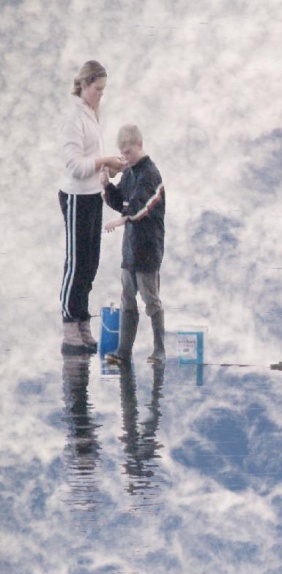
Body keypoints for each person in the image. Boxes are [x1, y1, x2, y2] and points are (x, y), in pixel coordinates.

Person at [58, 60, 126, 354]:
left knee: (90, 261)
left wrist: (109, 171)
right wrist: (104, 161)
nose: (101, 95)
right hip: (75, 196)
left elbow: (93, 159)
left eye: (104, 90)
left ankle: (83, 319)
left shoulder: (93, 114)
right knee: (75, 261)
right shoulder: (73, 117)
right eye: (98, 89)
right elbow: (74, 166)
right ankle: (69, 322)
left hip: (92, 195)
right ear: (85, 85)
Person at [101, 124, 167, 366]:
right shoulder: (129, 173)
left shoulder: (151, 173)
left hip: (148, 247)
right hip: (130, 247)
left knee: (151, 299)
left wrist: (122, 219)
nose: (124, 158)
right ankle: (123, 352)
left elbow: (142, 205)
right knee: (127, 298)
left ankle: (159, 349)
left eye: (127, 152)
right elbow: (120, 201)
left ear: (140, 145)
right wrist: (106, 185)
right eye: (122, 154)